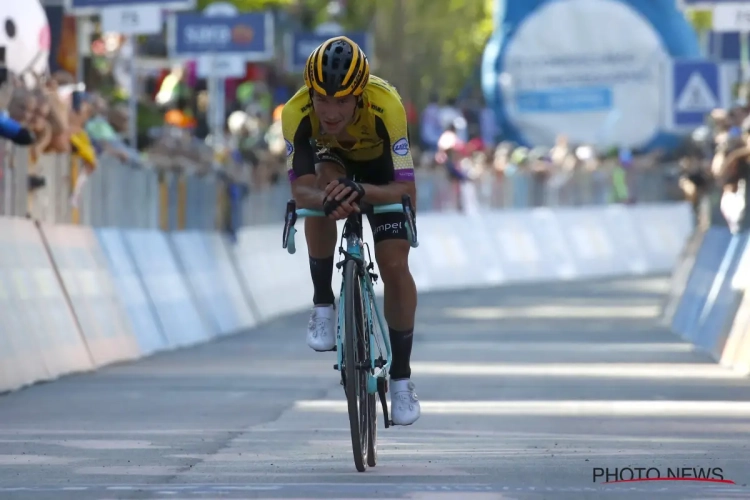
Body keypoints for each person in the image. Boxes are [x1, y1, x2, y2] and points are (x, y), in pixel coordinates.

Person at [281, 36, 421, 426]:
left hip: (379, 174)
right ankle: (323, 302)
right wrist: (326, 199)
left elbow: (406, 189)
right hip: (332, 166)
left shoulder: (386, 105)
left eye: (341, 101)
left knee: (394, 264)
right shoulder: (295, 112)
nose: (329, 111)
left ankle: (401, 379)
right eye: (322, 99)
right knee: (321, 192)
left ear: (359, 95)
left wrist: (366, 192)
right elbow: (300, 188)